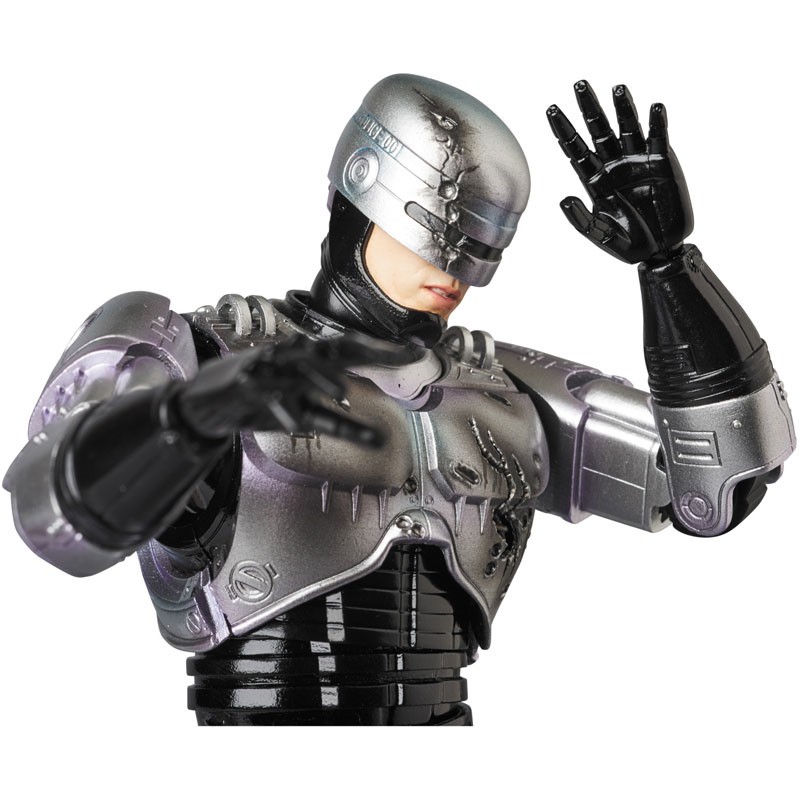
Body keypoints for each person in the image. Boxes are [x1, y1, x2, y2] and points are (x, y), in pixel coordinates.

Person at [5, 74, 795, 725]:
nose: (455, 271)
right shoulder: (205, 348)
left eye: (481, 248)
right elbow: (54, 522)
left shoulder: (501, 385)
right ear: (365, 188)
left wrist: (670, 269)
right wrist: (190, 417)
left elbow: (718, 489)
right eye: (435, 233)